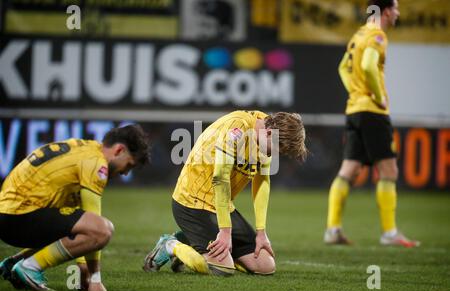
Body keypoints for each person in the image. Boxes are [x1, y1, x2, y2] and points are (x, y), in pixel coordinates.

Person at [143, 110, 307, 276]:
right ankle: (170, 245)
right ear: (270, 133)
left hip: (221, 206)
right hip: (192, 202)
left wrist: (261, 232)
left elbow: (262, 182)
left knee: (265, 266)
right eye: (277, 149)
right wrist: (225, 231)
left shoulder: (266, 131)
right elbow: (220, 178)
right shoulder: (236, 130)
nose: (275, 154)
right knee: (223, 268)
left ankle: (192, 241)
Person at [0, 124, 150, 291]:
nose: (125, 173)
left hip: (10, 213)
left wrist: (82, 265)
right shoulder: (97, 165)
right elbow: (95, 227)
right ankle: (30, 268)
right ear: (119, 150)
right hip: (19, 216)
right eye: (129, 165)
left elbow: (76, 219)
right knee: (103, 229)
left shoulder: (85, 149)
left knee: (77, 222)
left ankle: (15, 263)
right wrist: (95, 279)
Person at [324, 0, 419, 247]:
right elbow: (367, 66)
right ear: (386, 11)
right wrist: (378, 95)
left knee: (349, 171)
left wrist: (355, 92)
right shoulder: (377, 35)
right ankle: (389, 233)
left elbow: (342, 68)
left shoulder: (358, 35)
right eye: (396, 9)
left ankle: (332, 229)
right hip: (372, 112)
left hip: (354, 110)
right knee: (389, 170)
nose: (398, 13)